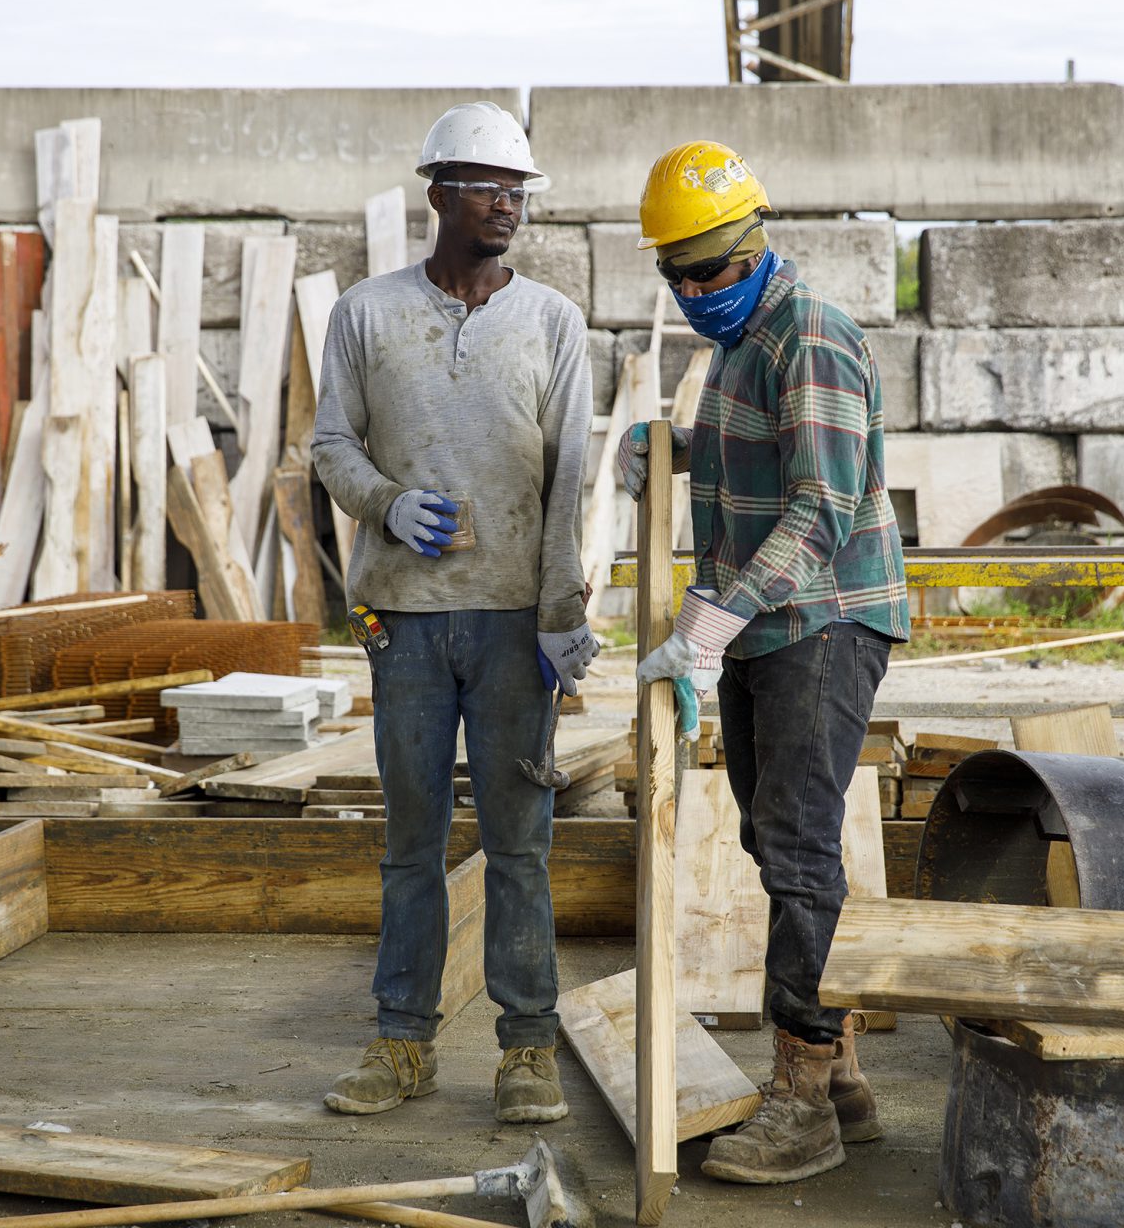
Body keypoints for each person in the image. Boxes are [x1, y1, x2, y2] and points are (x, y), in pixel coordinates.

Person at [617, 140, 909, 1184]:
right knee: (776, 833)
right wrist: (673, 451)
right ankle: (842, 1078)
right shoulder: (738, 348)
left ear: (757, 245)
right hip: (760, 624)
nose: (698, 291)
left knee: (791, 844)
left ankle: (801, 1098)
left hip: (820, 618)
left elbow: (823, 505)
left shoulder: (810, 335)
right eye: (679, 275)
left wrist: (711, 620)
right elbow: (767, 450)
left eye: (714, 270)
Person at [311, 101, 598, 1125]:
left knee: (521, 840)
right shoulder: (366, 313)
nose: (506, 203)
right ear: (436, 192)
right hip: (408, 619)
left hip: (517, 621)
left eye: (517, 189)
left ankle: (527, 1050)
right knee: (411, 839)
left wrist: (562, 611)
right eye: (485, 186)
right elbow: (330, 446)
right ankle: (401, 1043)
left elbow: (572, 475)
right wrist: (388, 501)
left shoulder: (554, 322)